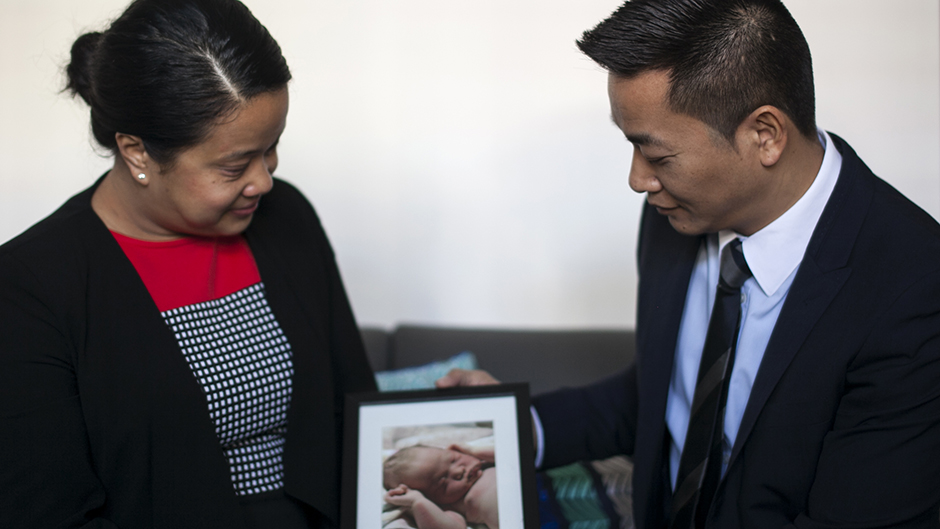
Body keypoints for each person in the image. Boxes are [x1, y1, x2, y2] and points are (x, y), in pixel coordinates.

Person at [438, 0, 940, 527]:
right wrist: (518, 426)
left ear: (764, 135)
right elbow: (670, 392)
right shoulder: (672, 218)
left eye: (657, 156)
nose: (638, 180)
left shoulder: (914, 290)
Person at [0, 0, 376, 527]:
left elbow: (352, 403)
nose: (264, 180)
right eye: (233, 165)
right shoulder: (29, 289)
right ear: (136, 153)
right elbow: (50, 512)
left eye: (271, 148)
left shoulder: (285, 216)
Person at [383, 444, 498, 529]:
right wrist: (418, 502)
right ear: (433, 500)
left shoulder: (487, 463)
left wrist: (472, 451)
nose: (459, 470)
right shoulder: (451, 507)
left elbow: (511, 454)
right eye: (443, 483)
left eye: (454, 459)